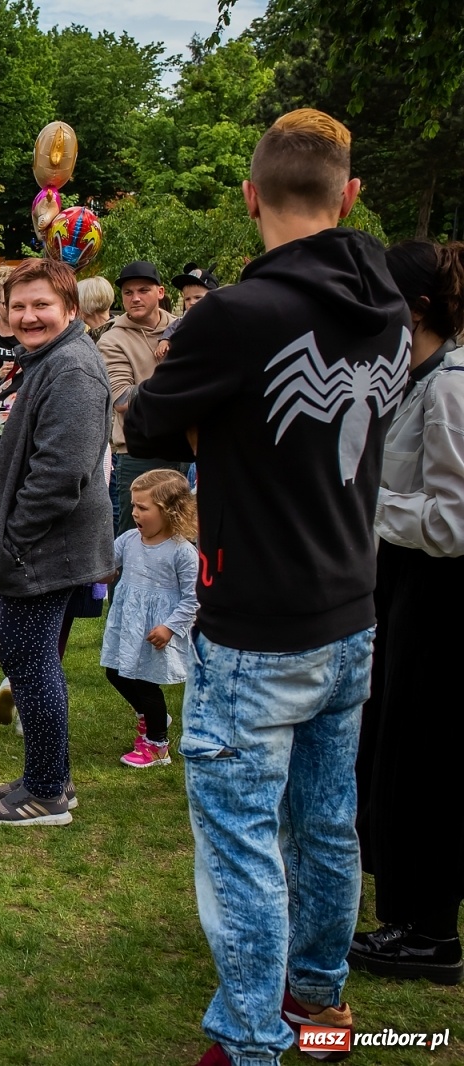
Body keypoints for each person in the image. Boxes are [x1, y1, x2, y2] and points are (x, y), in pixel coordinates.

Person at [122, 109, 410, 1066]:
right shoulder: (391, 309)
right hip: (350, 607)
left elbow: (147, 430)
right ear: (351, 196)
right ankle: (317, 1012)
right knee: (328, 828)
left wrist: (215, 425)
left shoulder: (240, 317)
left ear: (250, 197)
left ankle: (250, 1039)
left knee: (244, 842)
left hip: (257, 626)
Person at [350, 239, 464, 985]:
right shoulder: (413, 378)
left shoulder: (451, 387)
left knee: (425, 759)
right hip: (402, 588)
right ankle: (406, 909)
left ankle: (429, 931)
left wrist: (367, 505)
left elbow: (453, 522)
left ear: (414, 308)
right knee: (390, 748)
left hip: (441, 600)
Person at [0, 258, 114, 828]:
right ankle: (46, 775)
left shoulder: (73, 369)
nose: (28, 316)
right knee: (31, 664)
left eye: (42, 306)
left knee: (32, 665)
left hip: (43, 547)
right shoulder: (52, 360)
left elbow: (62, 473)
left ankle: (48, 791)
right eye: (19, 306)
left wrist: (12, 540)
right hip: (38, 544)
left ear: (70, 309)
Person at [99, 469, 198, 769]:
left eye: (143, 507)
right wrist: (102, 572)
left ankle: (157, 747)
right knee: (115, 672)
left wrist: (169, 627)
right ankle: (151, 715)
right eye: (133, 506)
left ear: (170, 511)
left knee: (145, 683)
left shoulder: (182, 552)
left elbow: (194, 597)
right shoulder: (130, 539)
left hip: (155, 630)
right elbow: (106, 562)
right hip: (128, 623)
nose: (135, 513)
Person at [99, 261, 183, 537]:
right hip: (140, 454)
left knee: (185, 537)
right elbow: (122, 398)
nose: (135, 298)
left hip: (187, 450)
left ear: (160, 292)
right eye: (128, 292)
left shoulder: (183, 326)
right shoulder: (112, 339)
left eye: (143, 290)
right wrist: (181, 384)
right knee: (136, 540)